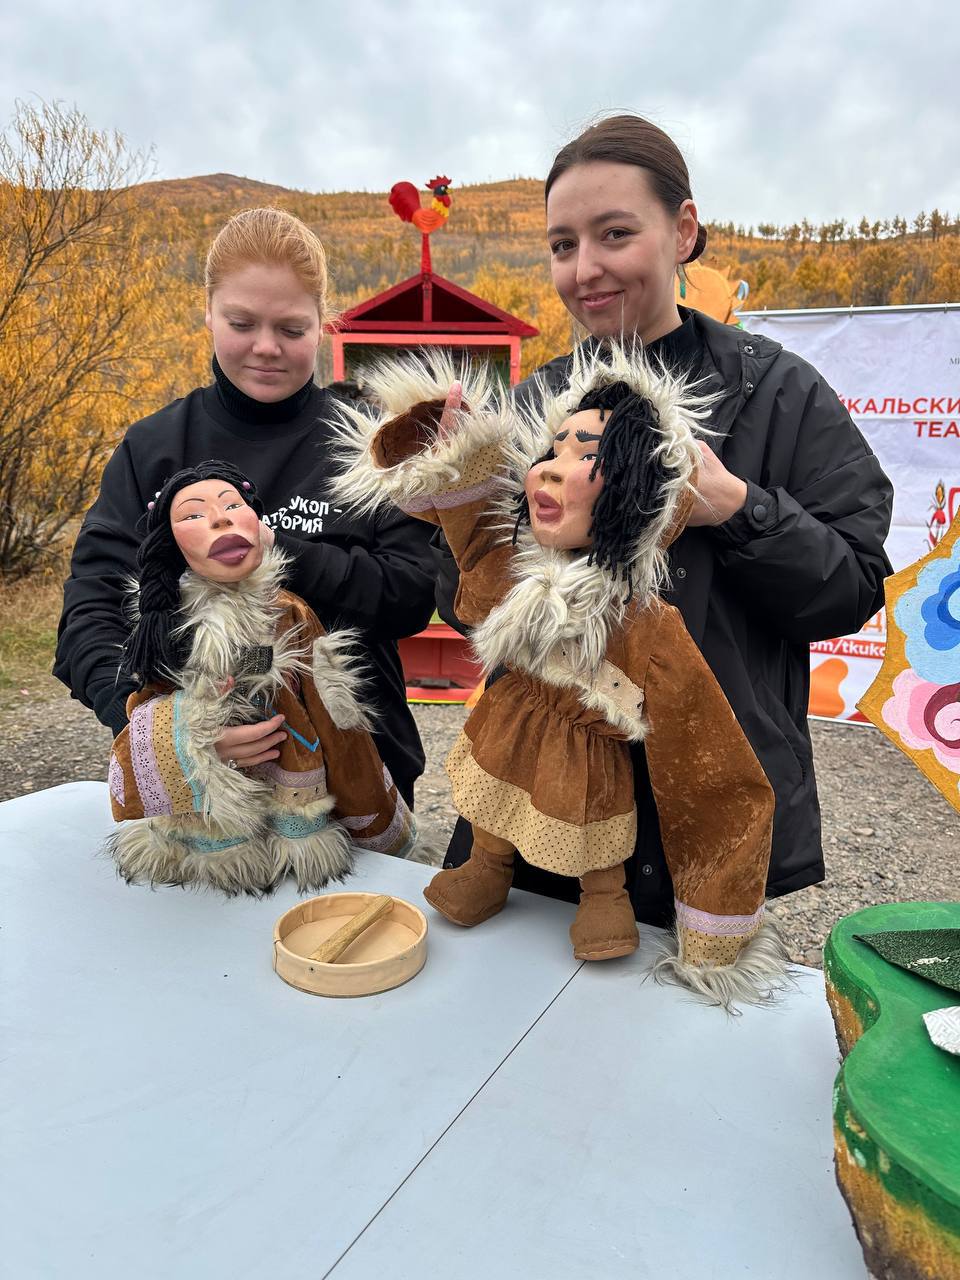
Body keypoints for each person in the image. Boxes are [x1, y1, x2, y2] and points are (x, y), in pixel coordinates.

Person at [436, 114, 895, 927]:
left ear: (683, 231)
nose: (585, 268)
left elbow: (850, 586)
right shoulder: (535, 404)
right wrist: (456, 503)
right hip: (544, 798)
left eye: (615, 234)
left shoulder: (779, 394)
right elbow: (462, 600)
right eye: (562, 245)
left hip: (703, 811)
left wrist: (739, 509)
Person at [336, 347, 785, 1005]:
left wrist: (716, 922)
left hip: (589, 755)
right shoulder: (516, 568)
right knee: (492, 800)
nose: (549, 467)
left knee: (593, 825)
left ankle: (604, 898)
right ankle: (487, 868)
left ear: (639, 495)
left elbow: (709, 770)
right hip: (508, 728)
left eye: (587, 456)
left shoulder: (650, 625)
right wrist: (453, 453)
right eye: (552, 449)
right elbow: (472, 541)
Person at [55, 208, 435, 808]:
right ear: (208, 312)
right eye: (241, 323)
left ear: (322, 325)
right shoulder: (154, 448)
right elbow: (93, 606)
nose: (266, 347)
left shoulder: (371, 443)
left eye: (291, 329)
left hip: (358, 774)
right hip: (202, 785)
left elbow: (412, 594)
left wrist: (274, 549)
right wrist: (160, 724)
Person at [106, 461, 416, 895]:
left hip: (291, 759)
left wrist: (365, 800)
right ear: (171, 544)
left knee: (307, 892)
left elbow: (333, 708)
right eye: (193, 514)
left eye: (233, 505)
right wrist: (191, 731)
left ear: (260, 526)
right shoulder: (166, 624)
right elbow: (145, 701)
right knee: (212, 883)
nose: (220, 519)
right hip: (206, 803)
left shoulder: (289, 611)